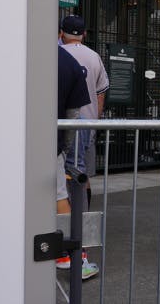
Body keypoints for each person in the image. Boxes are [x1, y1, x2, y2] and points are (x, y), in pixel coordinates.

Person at [55, 47, 99, 280]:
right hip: (50, 143)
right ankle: (69, 257)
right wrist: (64, 146)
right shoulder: (68, 62)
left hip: (13, 144)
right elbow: (72, 114)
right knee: (60, 197)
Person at [59, 15, 109, 209]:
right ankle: (84, 218)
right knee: (82, 172)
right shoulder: (93, 56)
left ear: (62, 32)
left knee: (60, 172)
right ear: (84, 34)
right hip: (87, 121)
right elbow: (101, 93)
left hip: (62, 121)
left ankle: (68, 219)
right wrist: (95, 121)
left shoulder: (58, 53)